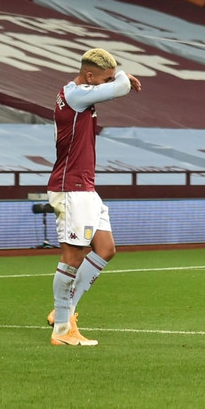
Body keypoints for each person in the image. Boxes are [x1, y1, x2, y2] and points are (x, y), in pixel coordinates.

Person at [45, 47, 142, 346]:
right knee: (73, 256)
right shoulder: (75, 95)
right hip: (71, 187)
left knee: (105, 248)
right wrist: (122, 77)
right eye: (105, 79)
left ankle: (64, 311)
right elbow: (122, 86)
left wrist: (116, 76)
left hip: (85, 187)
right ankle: (62, 329)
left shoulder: (79, 92)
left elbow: (118, 84)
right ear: (89, 76)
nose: (109, 84)